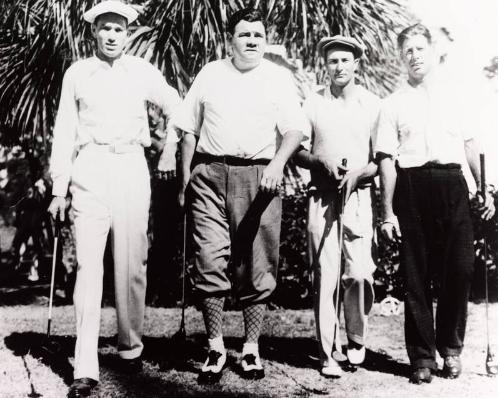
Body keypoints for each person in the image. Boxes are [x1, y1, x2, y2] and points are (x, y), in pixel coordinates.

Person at [47, 1, 180, 397]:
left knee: (131, 262)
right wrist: (59, 189)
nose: (111, 36)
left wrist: (170, 149)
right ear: (93, 32)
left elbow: (179, 107)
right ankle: (85, 367)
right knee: (89, 268)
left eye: (118, 29)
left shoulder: (142, 71)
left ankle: (130, 350)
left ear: (128, 34)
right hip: (90, 167)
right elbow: (64, 132)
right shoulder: (78, 73)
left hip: (131, 166)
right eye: (104, 28)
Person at [170, 7, 307, 384]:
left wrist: (278, 165)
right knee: (209, 258)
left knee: (257, 264)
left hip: (261, 177)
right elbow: (187, 129)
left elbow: (295, 130)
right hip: (210, 175)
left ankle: (250, 349)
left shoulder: (278, 78)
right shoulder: (211, 73)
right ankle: (214, 347)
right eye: (243, 35)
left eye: (257, 36)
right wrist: (186, 181)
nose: (250, 41)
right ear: (230, 40)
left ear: (265, 40)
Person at [376, 23, 495, 384]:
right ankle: (422, 358)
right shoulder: (392, 103)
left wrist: (484, 188)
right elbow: (385, 159)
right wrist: (386, 212)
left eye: (419, 49)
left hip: (452, 184)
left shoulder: (455, 97)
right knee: (415, 274)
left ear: (433, 52)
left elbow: (472, 144)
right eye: (408, 50)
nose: (414, 56)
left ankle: (451, 349)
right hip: (411, 186)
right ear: (402, 57)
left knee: (459, 269)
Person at [295, 36, 380, 378]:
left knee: (358, 273)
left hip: (358, 196)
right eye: (333, 61)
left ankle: (356, 340)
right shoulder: (313, 102)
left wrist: (359, 174)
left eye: (346, 60)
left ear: (356, 63)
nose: (339, 67)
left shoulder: (372, 104)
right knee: (325, 275)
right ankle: (327, 351)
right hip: (322, 196)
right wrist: (318, 162)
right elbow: (298, 150)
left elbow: (381, 160)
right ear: (325, 65)